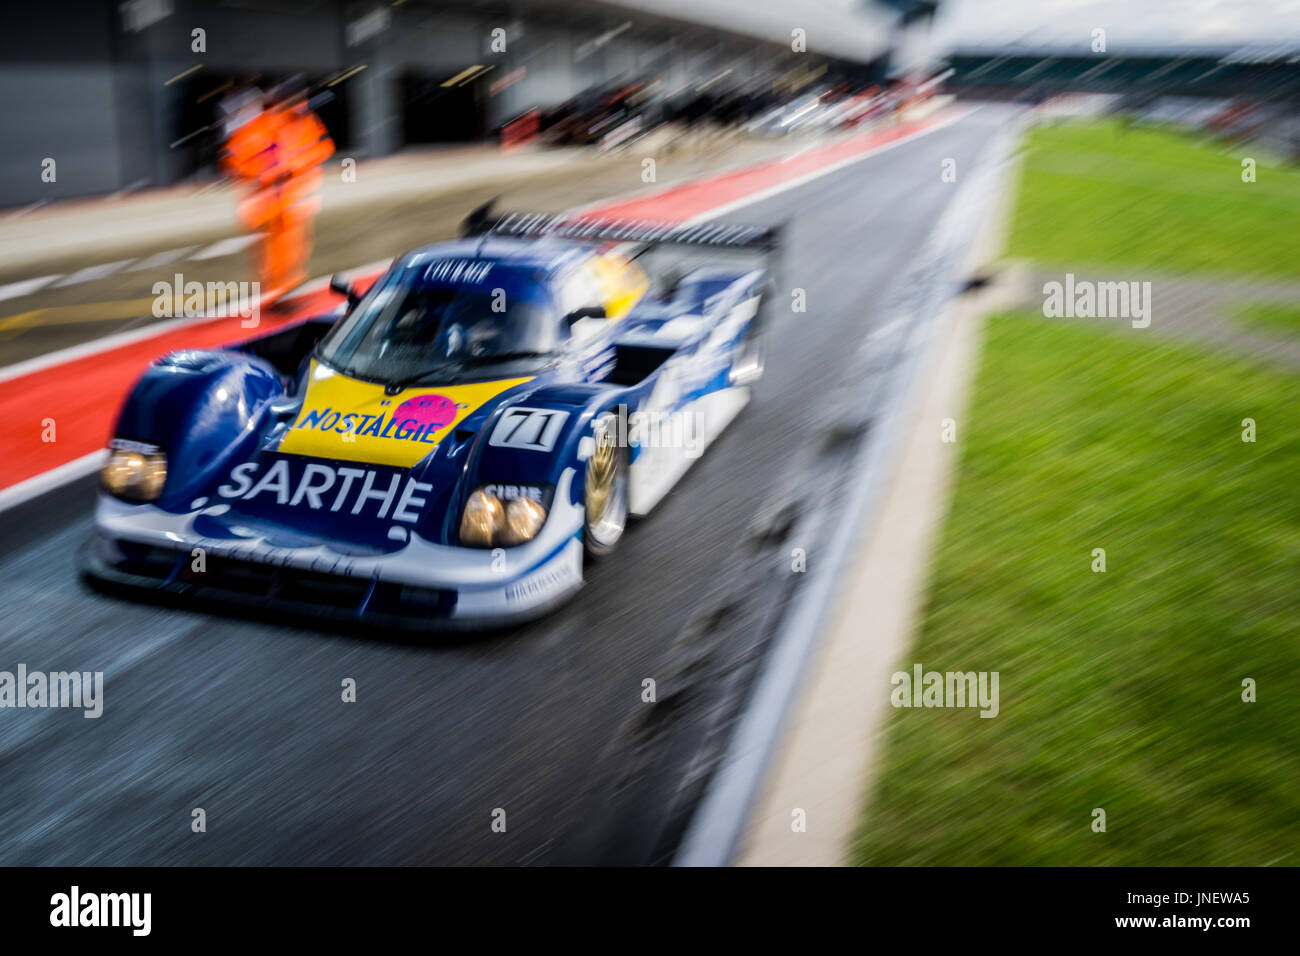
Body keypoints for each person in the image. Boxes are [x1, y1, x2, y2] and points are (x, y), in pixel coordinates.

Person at [222, 83, 334, 303]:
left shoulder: (305, 121)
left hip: (293, 196)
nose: (302, 106)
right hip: (270, 199)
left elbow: (323, 147)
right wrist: (268, 173)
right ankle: (277, 292)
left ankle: (287, 286)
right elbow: (236, 160)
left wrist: (294, 166)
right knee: (272, 248)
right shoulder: (261, 126)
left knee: (295, 244)